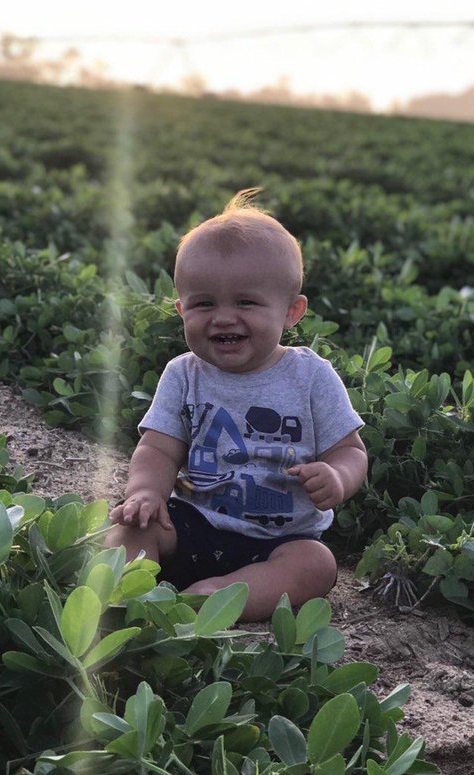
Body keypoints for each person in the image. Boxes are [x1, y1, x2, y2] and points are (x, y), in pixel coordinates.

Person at [105, 189, 367, 622]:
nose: (223, 317)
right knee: (134, 527)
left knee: (317, 565)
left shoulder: (312, 377)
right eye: (204, 303)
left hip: (277, 543)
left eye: (246, 302)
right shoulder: (182, 374)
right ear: (181, 309)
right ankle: (129, 589)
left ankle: (216, 597)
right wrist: (145, 493)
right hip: (190, 522)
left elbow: (351, 451)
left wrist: (336, 476)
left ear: (291, 311)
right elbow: (157, 449)